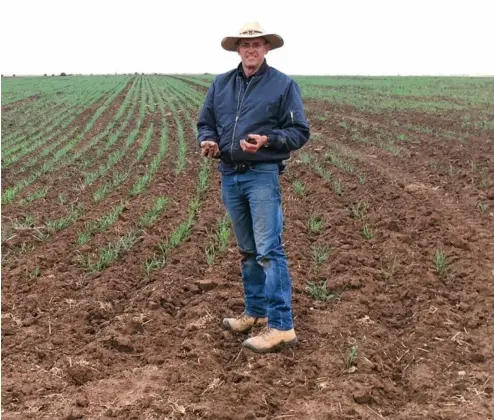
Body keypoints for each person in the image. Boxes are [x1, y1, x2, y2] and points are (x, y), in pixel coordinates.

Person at [197, 21, 310, 353]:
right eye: (245, 45)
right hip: (230, 173)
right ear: (237, 49)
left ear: (267, 49)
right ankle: (257, 313)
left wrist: (267, 140)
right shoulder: (221, 85)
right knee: (248, 251)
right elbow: (205, 121)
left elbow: (299, 132)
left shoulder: (282, 86)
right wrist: (208, 140)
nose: (251, 50)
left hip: (261, 175)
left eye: (257, 44)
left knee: (269, 251)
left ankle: (281, 326)